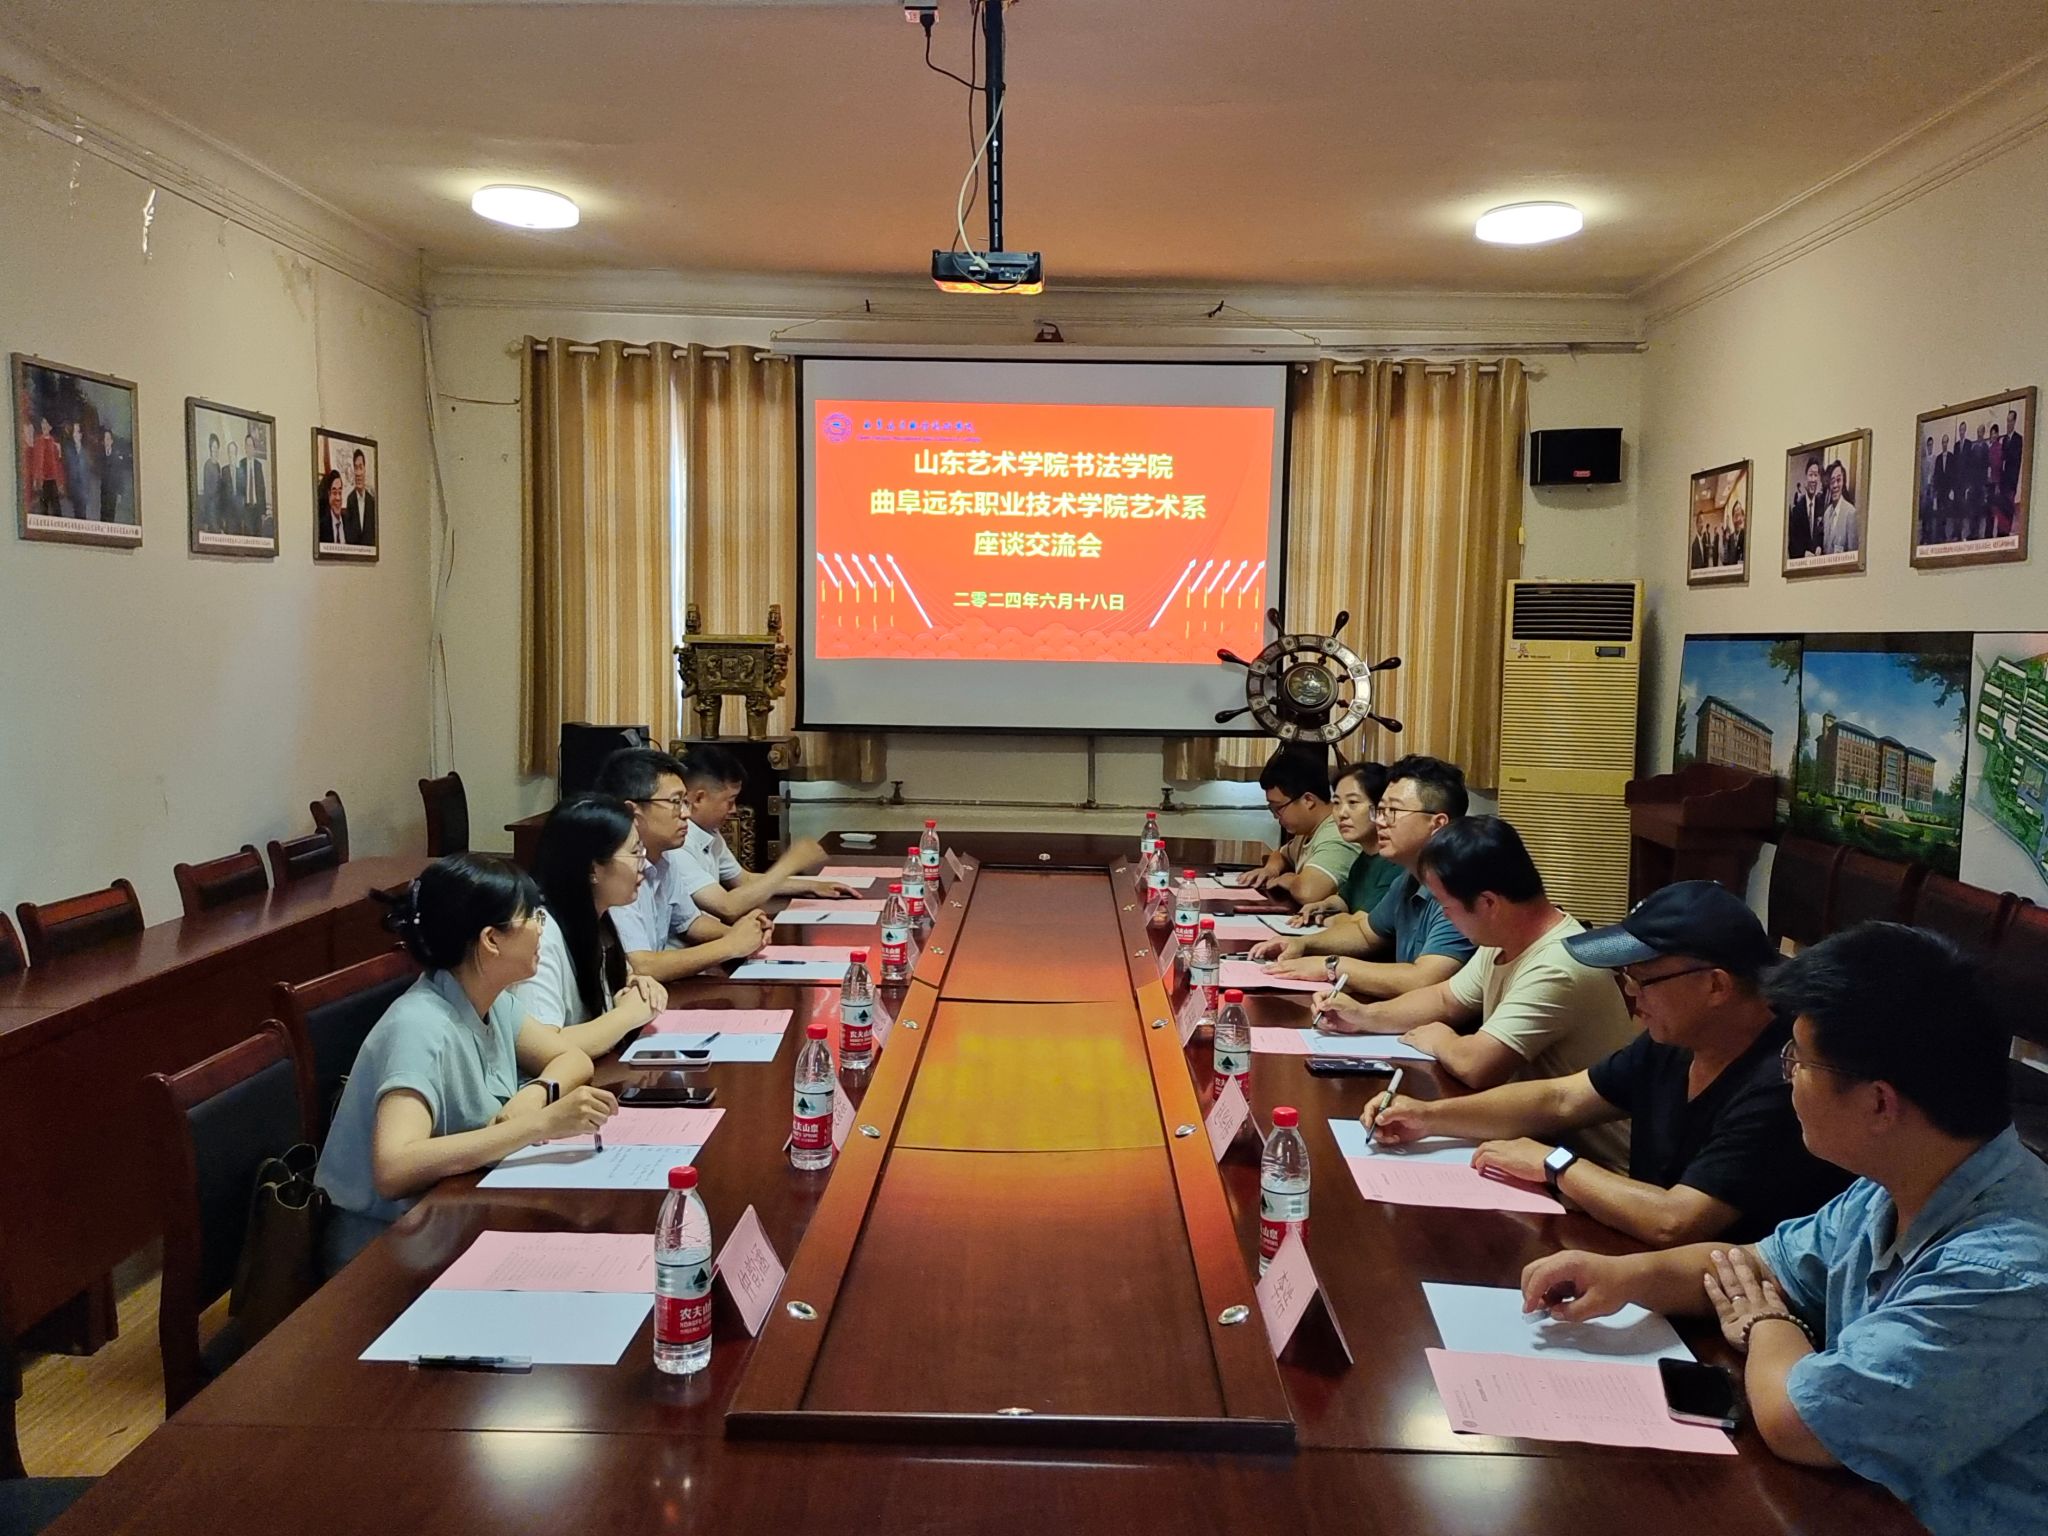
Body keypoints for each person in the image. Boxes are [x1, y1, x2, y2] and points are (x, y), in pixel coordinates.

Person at [1522, 924, 2048, 1536]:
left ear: (1879, 1103)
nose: (1786, 1075)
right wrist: (1622, 1276)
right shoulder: (1900, 1178)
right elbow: (1756, 1264)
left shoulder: (2003, 1274)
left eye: (1798, 1060)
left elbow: (1799, 1422)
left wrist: (1769, 1322)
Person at [1363, 882, 1847, 1243]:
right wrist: (1428, 1117)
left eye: (1643, 979)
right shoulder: (1676, 1038)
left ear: (1716, 985)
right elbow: (1561, 1098)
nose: (1631, 994)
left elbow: (1676, 1221)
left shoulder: (1785, 1076)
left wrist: (1555, 1164)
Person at [313, 855, 618, 1274]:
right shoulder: (419, 1026)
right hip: (383, 1250)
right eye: (532, 917)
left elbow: (571, 1058)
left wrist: (535, 1095)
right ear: (492, 939)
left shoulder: (491, 998)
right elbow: (395, 1167)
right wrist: (539, 1125)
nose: (541, 929)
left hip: (450, 1216)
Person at [1311, 817, 1638, 1165]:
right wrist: (1364, 1016)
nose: (1445, 915)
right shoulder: (1503, 937)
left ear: (1487, 903)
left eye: (1446, 906)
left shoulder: (1558, 963)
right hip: (1532, 1141)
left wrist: (1441, 1040)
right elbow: (1445, 998)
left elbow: (1478, 1065)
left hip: (1589, 1165)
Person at [1248, 754, 1476, 999]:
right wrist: (1301, 944)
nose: (1380, 821)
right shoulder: (1409, 879)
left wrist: (1330, 966)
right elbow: (1365, 934)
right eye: (1381, 810)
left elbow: (1423, 978)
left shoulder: (1462, 887)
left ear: (1438, 823)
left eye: (1393, 811)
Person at [593, 747, 771, 983]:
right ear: (632, 811)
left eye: (685, 802)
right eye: (676, 802)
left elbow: (690, 922)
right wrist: (730, 945)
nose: (686, 813)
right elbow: (640, 965)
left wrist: (746, 933)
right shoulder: (614, 869)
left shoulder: (664, 856)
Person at [513, 794, 672, 1057]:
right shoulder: (540, 934)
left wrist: (637, 985)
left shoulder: (598, 916)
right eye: (635, 853)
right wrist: (628, 1015)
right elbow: (543, 1047)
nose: (643, 864)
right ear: (592, 869)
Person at [664, 744, 857, 922]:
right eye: (730, 802)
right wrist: (791, 862)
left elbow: (743, 880)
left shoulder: (709, 831)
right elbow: (727, 906)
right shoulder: (677, 843)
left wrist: (813, 886)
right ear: (698, 798)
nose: (734, 810)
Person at [1233, 747, 1357, 905]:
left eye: (1278, 808)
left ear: (1308, 800)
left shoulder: (1338, 833)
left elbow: (1308, 892)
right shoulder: (1307, 831)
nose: (1275, 816)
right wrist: (1271, 869)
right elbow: (1281, 855)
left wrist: (1290, 879)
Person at [1290, 762, 1403, 927]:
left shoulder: (1396, 862)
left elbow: (1364, 925)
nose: (1341, 813)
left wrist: (1330, 920)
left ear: (1381, 807)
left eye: (1353, 802)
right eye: (1336, 803)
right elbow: (1344, 899)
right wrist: (1324, 906)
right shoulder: (1364, 857)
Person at [26, 417, 65, 520]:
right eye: (42, 423)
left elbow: (58, 464)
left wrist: (60, 482)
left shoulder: (55, 444)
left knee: (56, 505)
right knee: (43, 506)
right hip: (43, 480)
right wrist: (36, 479)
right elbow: (36, 462)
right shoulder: (38, 442)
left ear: (50, 427)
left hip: (53, 479)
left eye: (46, 423)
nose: (44, 426)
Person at [1787, 457, 1825, 561]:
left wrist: (1819, 547)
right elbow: (1792, 544)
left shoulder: (1823, 506)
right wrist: (1804, 553)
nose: (1813, 479)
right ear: (1805, 478)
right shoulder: (1797, 510)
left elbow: (1824, 535)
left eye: (1816, 475)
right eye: (1810, 475)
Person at [1821, 459, 1859, 555]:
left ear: (1843, 483)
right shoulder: (1826, 513)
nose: (1835, 485)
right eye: (1832, 481)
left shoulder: (1851, 513)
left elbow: (1853, 554)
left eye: (1838, 480)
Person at [346, 448, 377, 545]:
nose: (358, 473)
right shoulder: (350, 500)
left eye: (360, 467)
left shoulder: (371, 501)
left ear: (365, 469)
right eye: (356, 468)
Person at [241, 432, 269, 535]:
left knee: (258, 536)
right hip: (246, 508)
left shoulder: (258, 465)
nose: (249, 448)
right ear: (245, 448)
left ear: (254, 448)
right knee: (248, 536)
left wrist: (263, 512)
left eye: (251, 446)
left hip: (257, 509)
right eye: (247, 446)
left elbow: (262, 489)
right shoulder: (241, 464)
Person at [97, 427, 126, 523]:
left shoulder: (116, 457)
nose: (107, 441)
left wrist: (120, 493)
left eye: (108, 439)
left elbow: (120, 476)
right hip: (104, 490)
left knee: (111, 513)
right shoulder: (101, 455)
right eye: (105, 439)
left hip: (113, 491)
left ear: (112, 441)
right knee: (103, 512)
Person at [318, 469, 348, 546]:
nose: (338, 498)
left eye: (340, 493)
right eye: (334, 493)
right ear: (328, 494)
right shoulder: (321, 528)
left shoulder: (350, 524)